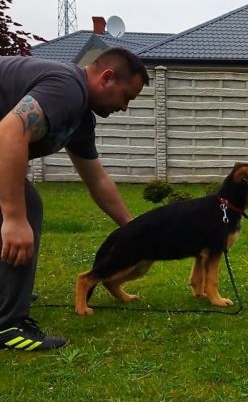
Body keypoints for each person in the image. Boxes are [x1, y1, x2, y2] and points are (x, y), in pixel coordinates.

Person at [0, 47, 149, 351]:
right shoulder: (68, 87)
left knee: (25, 204)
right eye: (126, 97)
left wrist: (136, 231)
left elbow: (98, 180)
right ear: (107, 77)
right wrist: (14, 218)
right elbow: (9, 133)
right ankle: (8, 326)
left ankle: (7, 295)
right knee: (25, 206)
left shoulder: (80, 119)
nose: (124, 108)